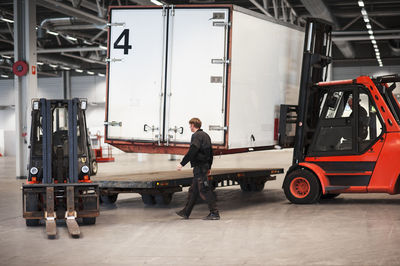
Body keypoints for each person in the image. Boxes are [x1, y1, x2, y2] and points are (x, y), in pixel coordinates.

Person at [176, 118, 220, 220]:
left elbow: (193, 151)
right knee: (193, 191)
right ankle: (186, 212)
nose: (189, 127)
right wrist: (209, 167)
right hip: (203, 167)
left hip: (200, 168)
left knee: (204, 190)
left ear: (192, 125)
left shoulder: (196, 136)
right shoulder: (205, 135)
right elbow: (210, 153)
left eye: (190, 125)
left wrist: (182, 163)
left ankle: (214, 213)